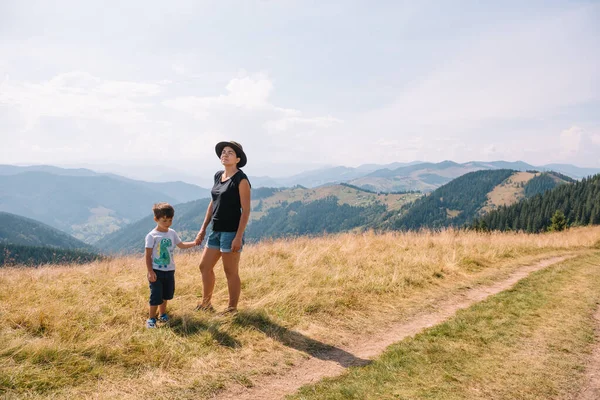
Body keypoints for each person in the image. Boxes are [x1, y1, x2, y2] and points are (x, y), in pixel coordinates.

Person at [195, 140, 251, 315]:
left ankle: (232, 309)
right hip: (216, 230)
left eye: (230, 153)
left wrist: (238, 236)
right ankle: (206, 304)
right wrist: (203, 228)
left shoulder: (241, 180)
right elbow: (213, 203)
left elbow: (246, 210)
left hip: (231, 232)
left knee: (230, 271)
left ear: (238, 159)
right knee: (204, 266)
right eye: (223, 152)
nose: (225, 155)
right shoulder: (218, 176)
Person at [145, 202, 197, 328]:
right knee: (156, 295)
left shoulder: (172, 233)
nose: (167, 223)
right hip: (156, 271)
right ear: (156, 219)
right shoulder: (152, 236)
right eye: (164, 220)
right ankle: (151, 318)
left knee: (166, 294)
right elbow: (147, 255)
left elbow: (181, 245)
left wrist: (195, 243)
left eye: (170, 220)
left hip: (169, 270)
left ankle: (162, 314)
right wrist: (150, 271)